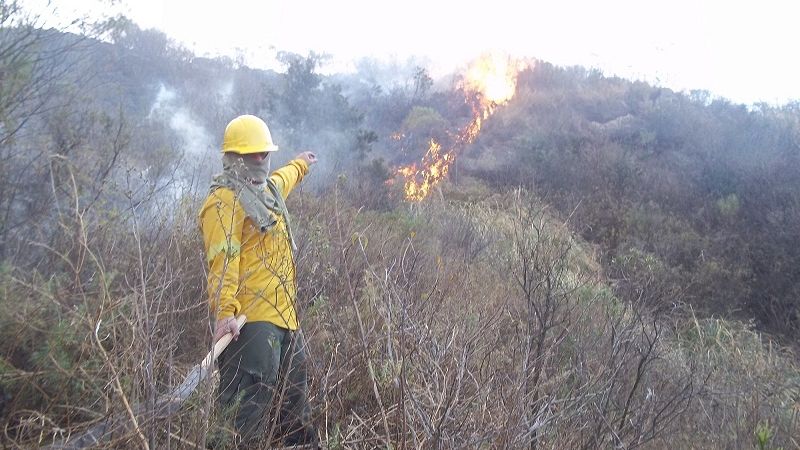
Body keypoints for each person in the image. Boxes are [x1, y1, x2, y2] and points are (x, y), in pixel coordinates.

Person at [199, 114, 318, 447]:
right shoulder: (223, 201)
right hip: (249, 325)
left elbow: (283, 178)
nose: (261, 161)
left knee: (294, 413)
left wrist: (301, 163)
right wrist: (224, 313)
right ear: (234, 157)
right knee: (243, 421)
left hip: (285, 319)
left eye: (265, 154)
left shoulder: (266, 193)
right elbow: (223, 261)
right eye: (254, 154)